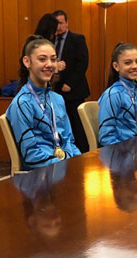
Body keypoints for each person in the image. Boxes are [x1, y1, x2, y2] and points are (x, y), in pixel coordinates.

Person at [6, 35, 81, 170]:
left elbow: (69, 140)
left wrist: (79, 163)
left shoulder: (57, 99)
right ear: (27, 62)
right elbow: (31, 155)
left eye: (53, 59)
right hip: (41, 176)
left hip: (63, 166)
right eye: (42, 59)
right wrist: (65, 166)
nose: (49, 64)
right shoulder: (22, 104)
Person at [52, 10, 91, 153]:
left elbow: (83, 63)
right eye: (56, 24)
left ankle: (82, 153)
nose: (58, 27)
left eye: (61, 23)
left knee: (77, 124)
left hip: (74, 90)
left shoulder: (77, 39)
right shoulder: (50, 41)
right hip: (55, 90)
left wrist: (70, 83)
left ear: (67, 23)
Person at [98, 43, 137, 147]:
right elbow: (105, 137)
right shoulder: (113, 95)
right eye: (128, 63)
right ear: (116, 66)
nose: (134, 66)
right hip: (119, 156)